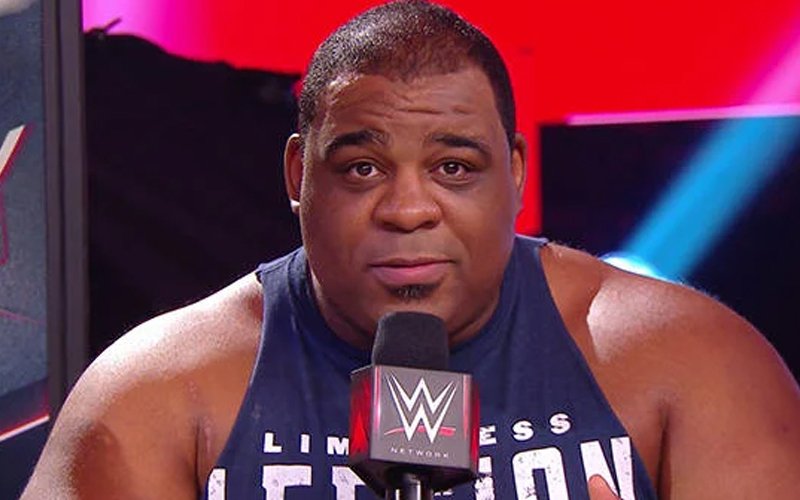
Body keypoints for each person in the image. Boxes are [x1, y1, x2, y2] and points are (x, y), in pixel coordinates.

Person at [22, 1, 800, 498]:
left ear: (515, 174)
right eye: (361, 168)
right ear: (298, 175)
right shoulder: (158, 392)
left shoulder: (689, 363)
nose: (407, 209)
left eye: (454, 168)